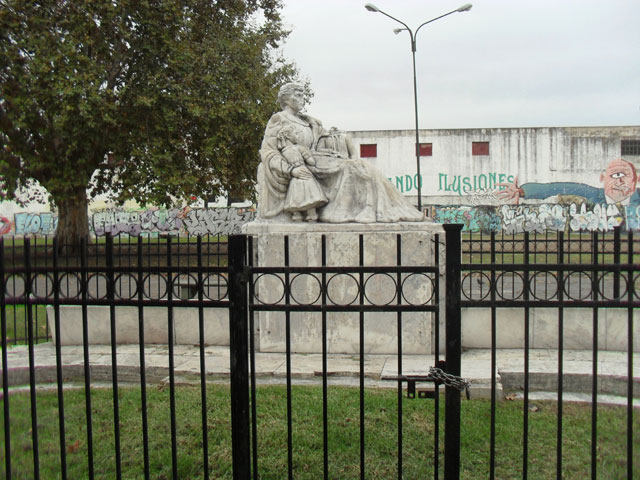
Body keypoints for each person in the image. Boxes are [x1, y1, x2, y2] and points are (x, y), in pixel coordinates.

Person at [258, 83, 425, 223]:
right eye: (298, 95)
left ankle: (379, 209)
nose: (302, 99)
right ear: (287, 99)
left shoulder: (308, 121)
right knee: (352, 169)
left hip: (316, 160)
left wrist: (337, 142)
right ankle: (358, 210)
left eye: (303, 95)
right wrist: (291, 169)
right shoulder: (278, 120)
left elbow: (322, 140)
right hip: (304, 166)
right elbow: (268, 152)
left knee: (360, 166)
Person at [496, 158, 640, 206]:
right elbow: (556, 188)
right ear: (603, 178)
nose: (619, 181)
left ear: (636, 180)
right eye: (615, 175)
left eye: (625, 175)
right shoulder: (594, 195)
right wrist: (524, 191)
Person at [276, 125, 327, 221]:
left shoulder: (283, 151)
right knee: (309, 196)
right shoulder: (299, 148)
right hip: (305, 174)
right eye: (295, 134)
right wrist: (309, 155)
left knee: (296, 196)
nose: (298, 136)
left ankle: (297, 215)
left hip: (295, 178)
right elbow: (311, 161)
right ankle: (311, 215)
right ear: (288, 136)